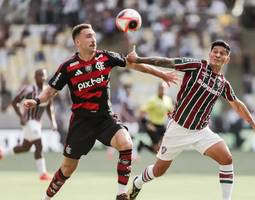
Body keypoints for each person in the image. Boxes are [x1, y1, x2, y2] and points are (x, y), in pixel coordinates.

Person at [22, 23, 178, 200]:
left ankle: (121, 194)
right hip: (82, 123)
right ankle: (46, 198)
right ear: (77, 42)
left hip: (105, 118)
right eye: (88, 36)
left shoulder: (106, 57)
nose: (93, 39)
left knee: (126, 144)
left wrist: (162, 74)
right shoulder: (68, 67)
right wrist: (36, 101)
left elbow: (134, 65)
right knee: (67, 168)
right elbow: (50, 91)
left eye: (94, 36)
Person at [126, 40, 255, 200]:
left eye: (223, 53)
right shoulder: (196, 66)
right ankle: (138, 182)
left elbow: (237, 104)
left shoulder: (223, 84)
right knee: (158, 171)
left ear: (227, 59)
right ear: (210, 54)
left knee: (227, 158)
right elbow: (169, 62)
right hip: (178, 129)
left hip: (201, 131)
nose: (218, 55)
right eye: (215, 51)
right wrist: (139, 59)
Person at [0, 69, 57, 181]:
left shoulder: (47, 91)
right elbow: (14, 102)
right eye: (40, 75)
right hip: (28, 121)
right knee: (39, 145)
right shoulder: (29, 89)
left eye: (44, 75)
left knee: (25, 147)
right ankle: (42, 174)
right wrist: (21, 116)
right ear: (35, 77)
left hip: (37, 123)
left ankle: (2, 152)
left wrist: (53, 121)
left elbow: (49, 107)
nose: (43, 77)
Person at [137, 82, 173, 153]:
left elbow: (171, 112)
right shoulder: (152, 100)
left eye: (165, 88)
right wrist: (147, 124)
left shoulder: (168, 100)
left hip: (162, 126)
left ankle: (143, 145)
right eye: (161, 88)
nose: (163, 90)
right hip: (153, 126)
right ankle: (143, 145)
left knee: (164, 147)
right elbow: (141, 112)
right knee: (157, 150)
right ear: (158, 89)